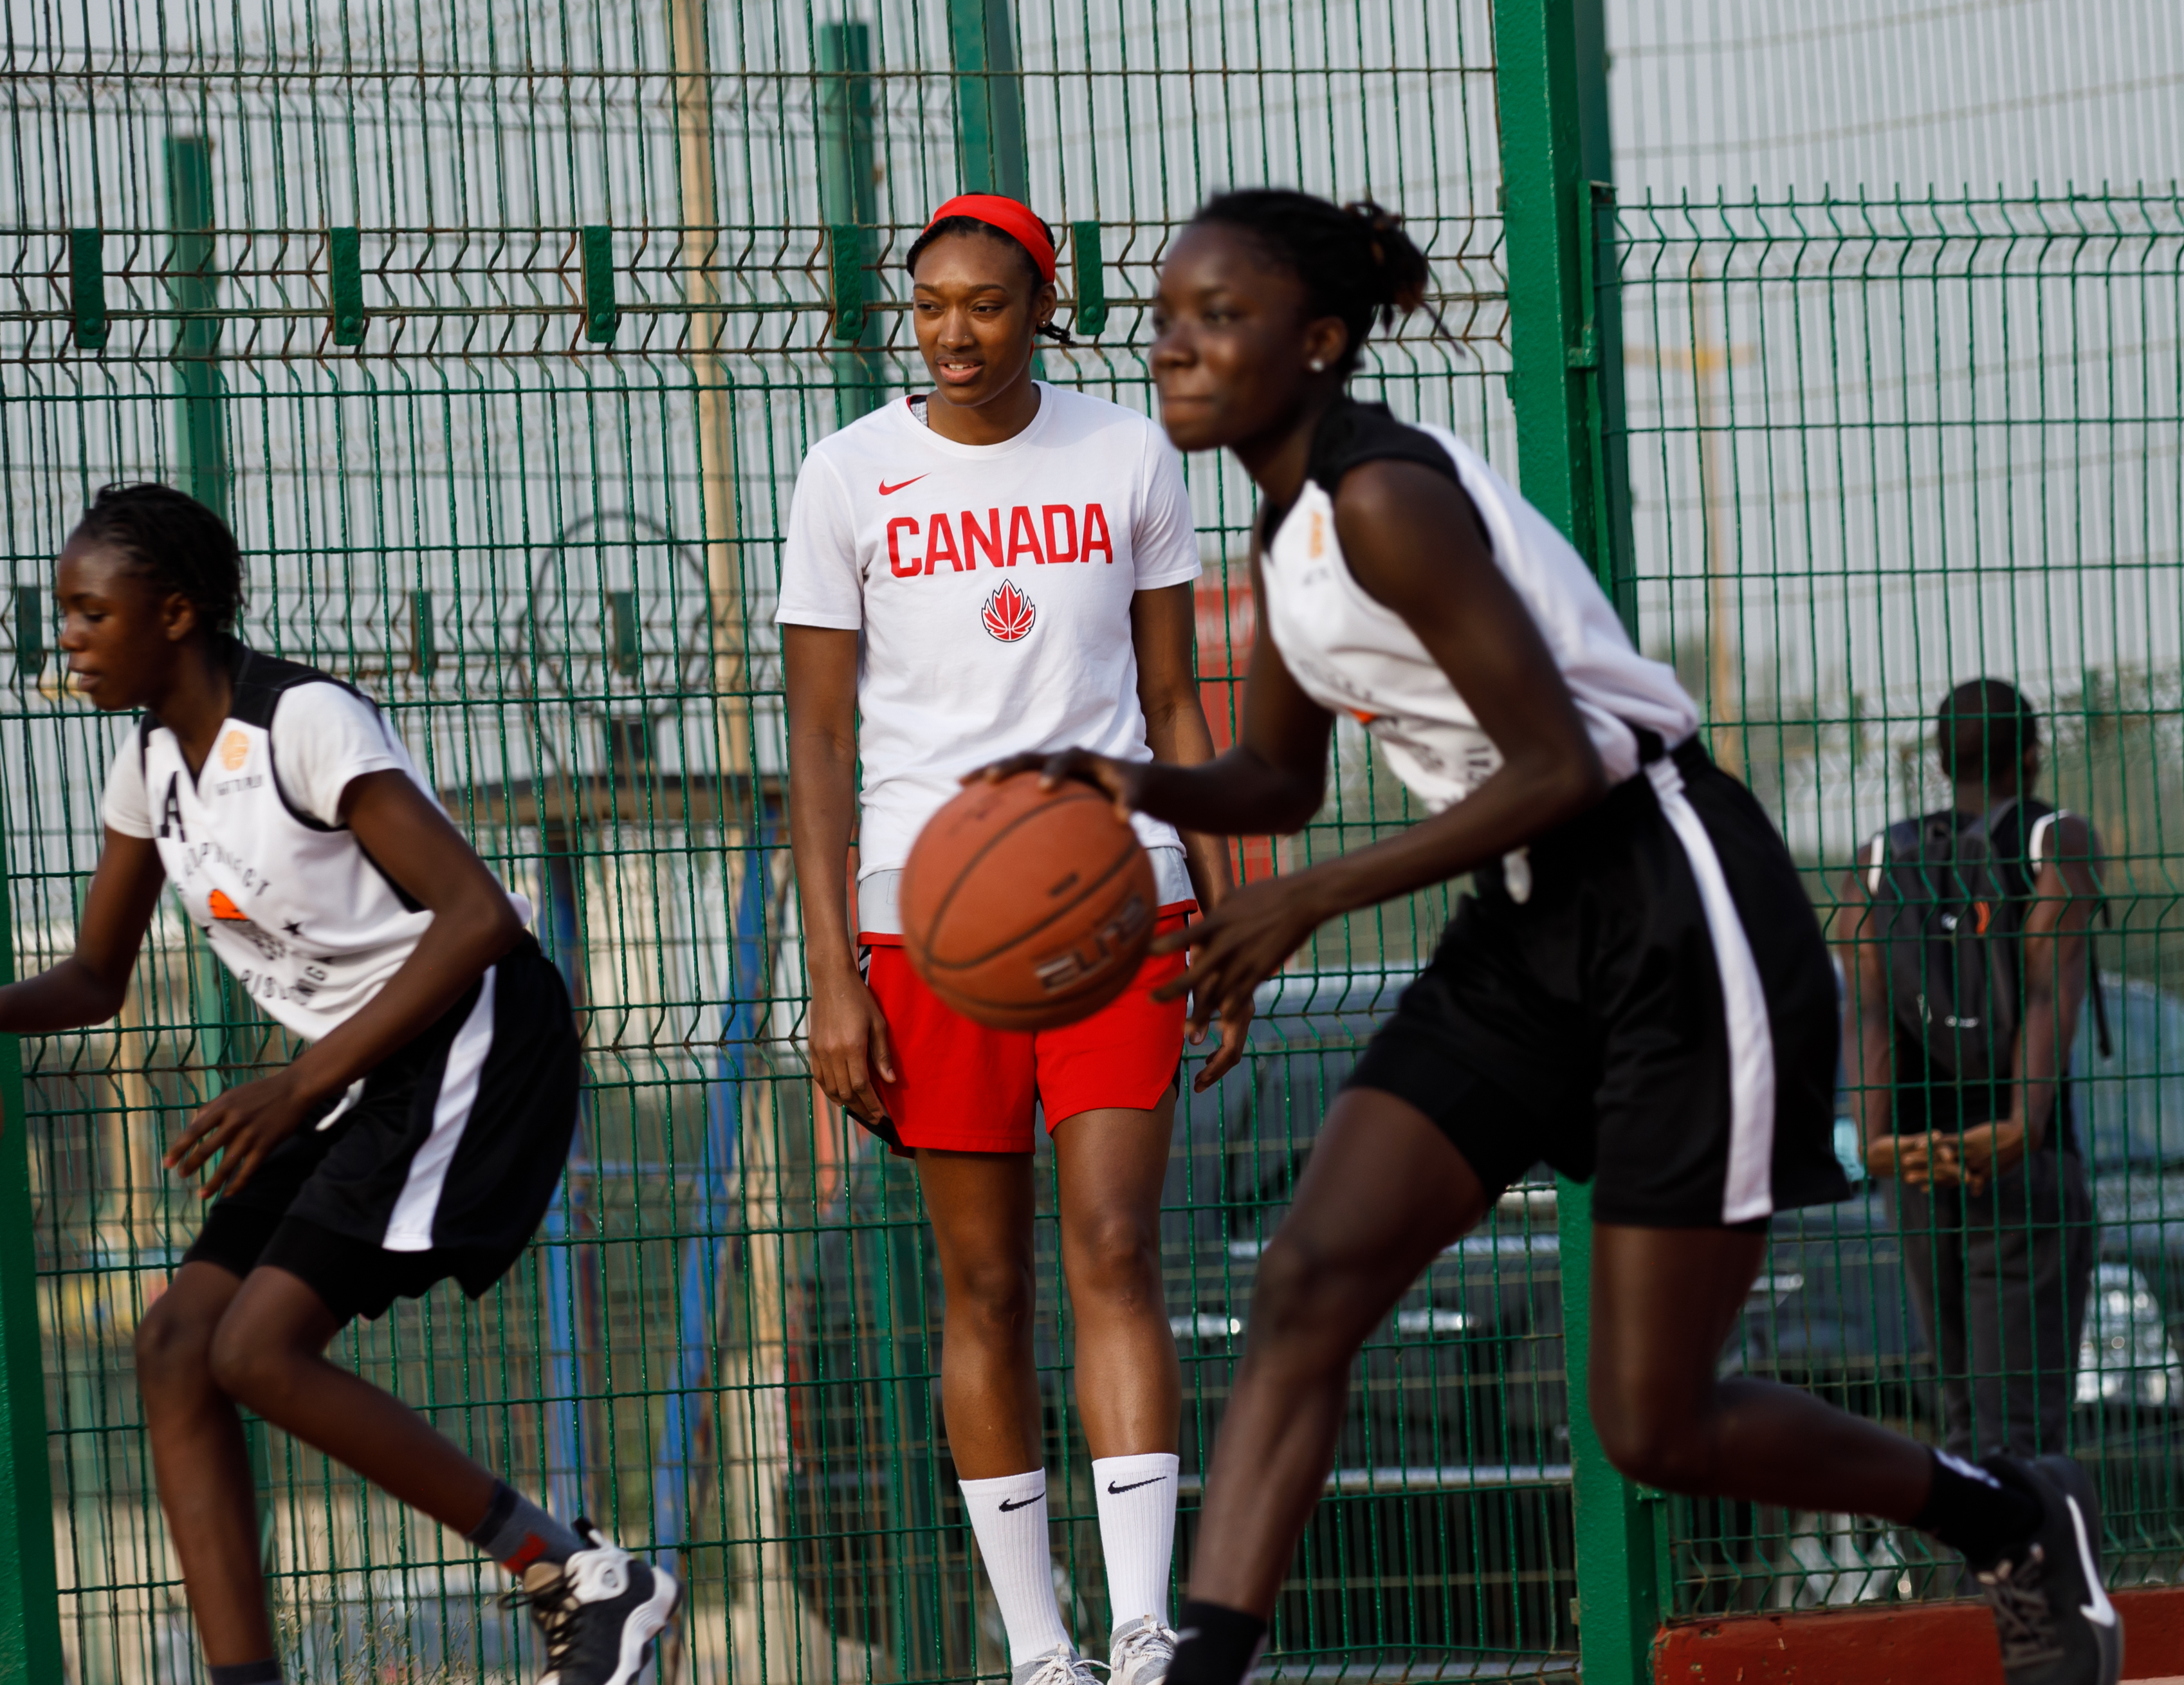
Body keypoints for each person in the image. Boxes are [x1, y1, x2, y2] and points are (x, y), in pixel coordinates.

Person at [991, 191, 2122, 1685]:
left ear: (1318, 342)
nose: (1175, 350)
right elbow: (1281, 776)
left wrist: (1308, 897)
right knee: (1307, 1281)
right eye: (1164, 321)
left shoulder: (1387, 499)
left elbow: (1562, 763)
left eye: (1218, 318)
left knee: (1656, 1424)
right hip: (1522, 926)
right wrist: (1117, 780)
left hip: (1671, 910)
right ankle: (1201, 1670)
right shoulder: (1289, 528)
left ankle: (2008, 1512)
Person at [0, 484, 678, 1685]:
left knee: (258, 1349)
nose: (62, 634)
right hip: (347, 1065)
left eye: (86, 610)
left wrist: (297, 1083)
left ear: (173, 613)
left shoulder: (303, 723)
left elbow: (477, 914)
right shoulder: (148, 767)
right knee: (177, 1340)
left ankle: (579, 1571)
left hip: (467, 1034)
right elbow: (95, 974)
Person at [778, 193, 1249, 1685]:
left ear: (1043, 307)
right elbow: (817, 747)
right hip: (932, 922)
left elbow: (1176, 705)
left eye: (985, 303)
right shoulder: (849, 474)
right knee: (980, 1289)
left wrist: (1227, 902)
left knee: (1114, 1247)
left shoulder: (1128, 454)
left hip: (1121, 903)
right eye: (930, 305)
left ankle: (1139, 1628)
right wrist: (832, 977)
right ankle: (1038, 1647)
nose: (954, 331)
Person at [1844, 679, 2102, 1460]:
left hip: (1918, 1164)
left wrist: (1878, 1142)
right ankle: (2046, 1581)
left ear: (1937, 756)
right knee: (2023, 1427)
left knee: (1962, 1418)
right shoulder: (2055, 840)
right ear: (2031, 756)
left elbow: (1867, 1010)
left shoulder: (1881, 858)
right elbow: (2048, 988)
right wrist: (2020, 1124)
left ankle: (1986, 1574)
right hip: (2022, 1161)